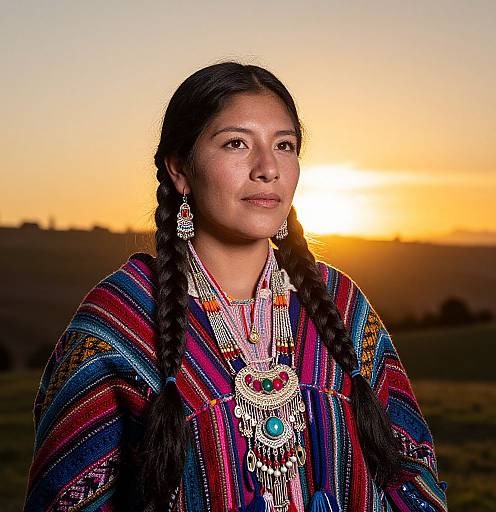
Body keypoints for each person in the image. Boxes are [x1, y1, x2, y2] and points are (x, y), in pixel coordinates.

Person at [23, 61, 448, 512]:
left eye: (284, 145)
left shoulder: (340, 302)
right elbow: (67, 498)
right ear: (180, 168)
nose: (268, 168)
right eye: (236, 143)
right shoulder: (121, 320)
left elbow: (412, 472)